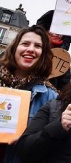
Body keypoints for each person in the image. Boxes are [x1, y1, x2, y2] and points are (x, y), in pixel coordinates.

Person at [0, 25, 58, 163]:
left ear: (43, 55)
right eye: (25, 43)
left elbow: (50, 145)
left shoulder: (51, 97)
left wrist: (29, 141)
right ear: (14, 48)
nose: (31, 49)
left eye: (37, 46)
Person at [36, 9, 71, 91]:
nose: (57, 33)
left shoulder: (63, 60)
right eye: (53, 28)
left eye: (61, 30)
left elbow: (64, 90)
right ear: (44, 29)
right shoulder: (29, 50)